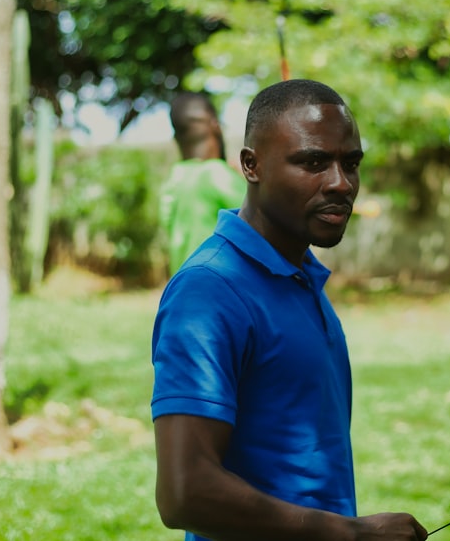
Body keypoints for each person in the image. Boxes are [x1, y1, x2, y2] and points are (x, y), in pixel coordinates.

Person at [150, 79, 429, 541]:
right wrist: (353, 533)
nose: (341, 183)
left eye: (351, 163)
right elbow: (185, 492)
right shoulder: (210, 291)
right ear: (251, 165)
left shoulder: (302, 274)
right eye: (313, 162)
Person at [159, 92, 247, 274]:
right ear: (215, 125)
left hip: (187, 287)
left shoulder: (175, 179)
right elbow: (264, 222)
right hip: (221, 291)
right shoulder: (217, 174)